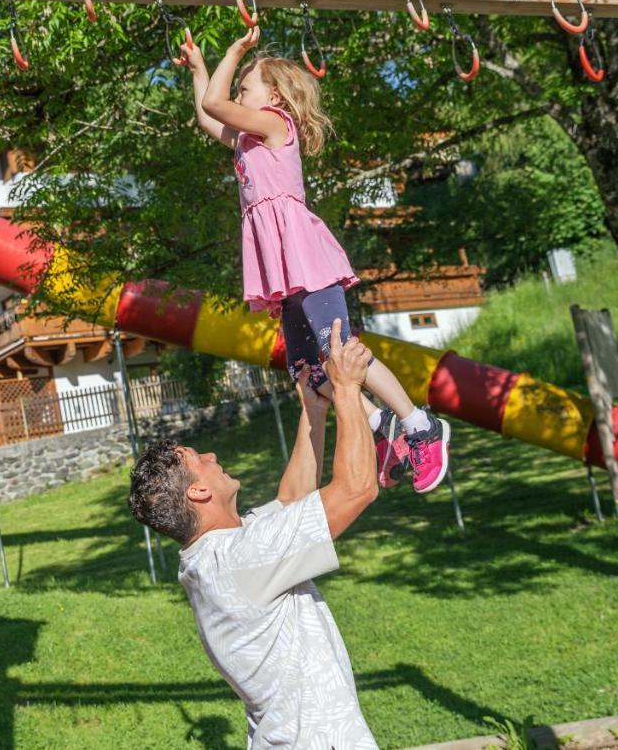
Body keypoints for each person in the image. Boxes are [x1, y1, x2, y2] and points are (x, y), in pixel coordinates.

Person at [177, 27, 448, 493]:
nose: (238, 92)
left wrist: (234, 49)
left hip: (305, 257)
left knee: (341, 351)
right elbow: (209, 116)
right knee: (311, 370)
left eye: (246, 85)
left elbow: (215, 106)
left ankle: (419, 423)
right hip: (284, 269)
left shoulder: (275, 123)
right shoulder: (247, 139)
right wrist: (201, 69)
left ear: (275, 94)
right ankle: (380, 424)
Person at [128, 319, 380, 749]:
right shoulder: (242, 559)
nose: (210, 454)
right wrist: (347, 390)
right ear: (199, 490)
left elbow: (291, 500)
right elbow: (358, 488)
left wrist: (313, 410)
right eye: (197, 458)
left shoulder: (218, 555)